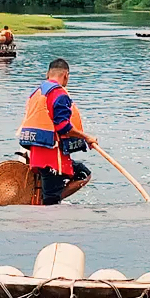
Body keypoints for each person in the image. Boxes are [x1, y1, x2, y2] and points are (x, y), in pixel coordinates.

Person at [17, 58, 94, 205]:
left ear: (48, 74)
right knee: (54, 196)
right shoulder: (59, 94)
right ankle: (50, 205)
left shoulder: (37, 93)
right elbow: (63, 126)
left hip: (37, 153)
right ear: (66, 75)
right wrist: (86, 137)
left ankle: (50, 203)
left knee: (82, 173)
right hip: (51, 157)